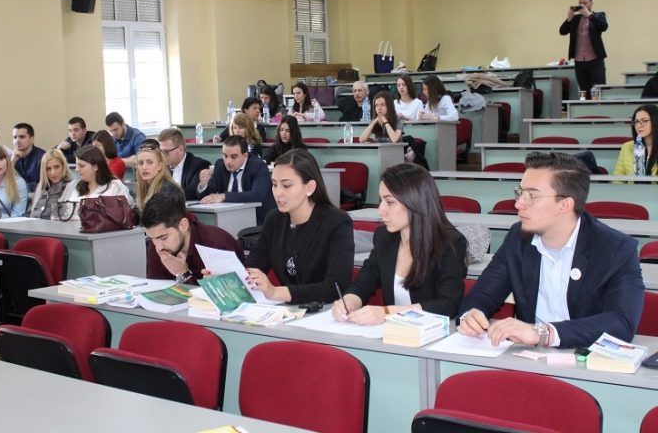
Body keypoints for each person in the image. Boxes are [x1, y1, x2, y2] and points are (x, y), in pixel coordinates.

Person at [458, 152, 644, 349]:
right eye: (520, 192)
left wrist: (543, 333)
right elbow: (484, 293)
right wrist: (472, 314)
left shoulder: (616, 249)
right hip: (528, 357)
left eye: (532, 195)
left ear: (565, 205)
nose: (518, 204)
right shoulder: (518, 238)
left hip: (585, 356)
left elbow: (621, 321)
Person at [332, 164, 467, 324]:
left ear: (415, 202)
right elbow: (363, 283)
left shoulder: (450, 243)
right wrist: (349, 301)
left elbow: (448, 304)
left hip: (432, 333)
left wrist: (387, 313)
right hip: (393, 332)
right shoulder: (384, 237)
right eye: (381, 200)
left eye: (389, 202)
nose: (380, 210)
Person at [244, 149, 354, 304]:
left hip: (326, 311)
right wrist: (224, 278)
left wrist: (276, 292)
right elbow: (253, 267)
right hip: (289, 310)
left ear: (310, 187)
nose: (278, 193)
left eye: (286, 185)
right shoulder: (274, 219)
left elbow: (335, 288)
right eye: (274, 184)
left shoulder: (337, 222)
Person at [142, 192, 244, 285]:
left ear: (183, 225)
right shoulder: (157, 242)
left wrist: (183, 274)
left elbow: (231, 295)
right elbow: (155, 288)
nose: (158, 247)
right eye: (152, 239)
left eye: (163, 238)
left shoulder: (216, 244)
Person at [196, 135, 276, 225]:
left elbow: (257, 195)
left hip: (258, 220)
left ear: (245, 155)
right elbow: (206, 195)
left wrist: (225, 196)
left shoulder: (258, 166)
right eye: (225, 156)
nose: (228, 161)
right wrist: (203, 184)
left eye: (233, 157)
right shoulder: (220, 165)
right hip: (228, 218)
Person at [59, 145, 134, 221]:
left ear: (95, 167)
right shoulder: (74, 186)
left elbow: (126, 216)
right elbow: (63, 214)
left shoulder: (116, 187)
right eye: (76, 165)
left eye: (81, 166)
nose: (76, 169)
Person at [559, 0, 608, 99]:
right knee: (584, 91)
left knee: (599, 90)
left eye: (585, 3)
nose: (582, 5)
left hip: (595, 60)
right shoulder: (575, 19)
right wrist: (569, 18)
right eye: (580, 3)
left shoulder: (599, 15)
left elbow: (603, 26)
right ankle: (586, 109)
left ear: (591, 3)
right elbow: (562, 31)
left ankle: (599, 108)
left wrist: (589, 15)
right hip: (579, 61)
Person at [157, 128, 210, 200]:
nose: (162, 156)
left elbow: (192, 192)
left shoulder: (199, 165)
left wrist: (163, 193)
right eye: (160, 151)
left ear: (181, 149)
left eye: (166, 152)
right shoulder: (160, 166)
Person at [135, 144, 184, 211]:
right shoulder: (145, 188)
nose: (144, 167)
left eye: (150, 162)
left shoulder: (168, 191)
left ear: (160, 165)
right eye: (141, 163)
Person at [613, 104, 658, 177]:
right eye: (636, 122)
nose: (639, 125)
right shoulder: (627, 147)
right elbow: (617, 179)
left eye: (644, 121)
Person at [28, 149, 74, 219]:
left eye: (56, 167)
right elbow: (29, 213)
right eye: (48, 169)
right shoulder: (41, 187)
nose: (53, 173)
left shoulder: (70, 187)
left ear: (63, 166)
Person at [11, 122, 46, 192]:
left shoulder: (43, 157)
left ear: (31, 139)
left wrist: (18, 187)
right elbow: (4, 183)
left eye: (22, 137)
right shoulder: (12, 158)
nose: (17, 141)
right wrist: (12, 162)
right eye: (15, 137)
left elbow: (43, 185)